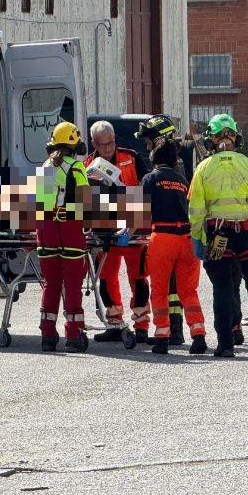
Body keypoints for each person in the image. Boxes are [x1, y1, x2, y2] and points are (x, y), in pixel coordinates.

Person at [188, 114, 248, 357]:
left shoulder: (203, 168)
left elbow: (196, 209)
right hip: (246, 233)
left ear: (210, 141)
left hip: (218, 234)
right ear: (237, 137)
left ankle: (225, 344)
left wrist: (197, 237)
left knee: (223, 288)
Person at [86, 120, 152, 343]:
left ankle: (141, 325)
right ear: (94, 143)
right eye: (102, 145)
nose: (107, 149)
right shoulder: (88, 163)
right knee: (106, 277)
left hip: (133, 227)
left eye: (111, 143)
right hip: (104, 229)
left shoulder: (131, 157)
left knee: (139, 277)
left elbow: (147, 187)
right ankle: (115, 324)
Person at [139, 136, 207, 355]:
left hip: (163, 238)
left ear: (153, 157)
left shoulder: (150, 179)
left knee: (159, 290)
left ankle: (162, 337)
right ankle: (198, 335)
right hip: (187, 238)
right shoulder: (182, 181)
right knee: (189, 291)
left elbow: (137, 215)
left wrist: (124, 233)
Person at [35, 122, 91, 352]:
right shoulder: (77, 167)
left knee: (51, 284)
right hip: (69, 228)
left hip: (46, 229)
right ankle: (74, 335)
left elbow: (40, 206)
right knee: (73, 284)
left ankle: (47, 335)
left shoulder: (44, 168)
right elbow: (84, 204)